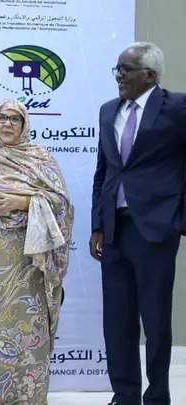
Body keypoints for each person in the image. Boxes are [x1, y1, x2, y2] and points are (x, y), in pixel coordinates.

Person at [90, 41, 186, 405]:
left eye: (126, 70)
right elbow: (104, 170)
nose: (119, 76)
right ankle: (124, 395)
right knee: (118, 319)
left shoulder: (177, 107)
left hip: (156, 230)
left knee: (156, 320)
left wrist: (179, 216)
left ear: (149, 75)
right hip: (115, 229)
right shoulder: (107, 110)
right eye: (117, 69)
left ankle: (157, 397)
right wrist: (98, 225)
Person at [0, 99, 74, 404]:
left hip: (29, 262)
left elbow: (62, 204)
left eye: (14, 119)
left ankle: (26, 393)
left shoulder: (41, 161)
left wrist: (23, 202)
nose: (7, 124)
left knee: (24, 323)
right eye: (2, 118)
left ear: (24, 126)